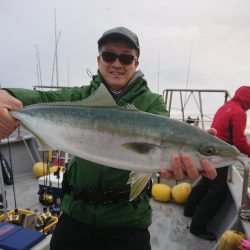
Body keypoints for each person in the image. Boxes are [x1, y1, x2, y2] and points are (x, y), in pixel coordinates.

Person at [0, 27, 217, 250]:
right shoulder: (81, 96)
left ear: (136, 64)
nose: (117, 63)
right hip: (75, 214)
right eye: (109, 56)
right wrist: (7, 95)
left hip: (127, 222)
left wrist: (198, 144)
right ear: (99, 59)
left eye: (126, 57)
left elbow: (165, 138)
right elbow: (42, 97)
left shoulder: (152, 104)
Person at [184, 86, 250, 241]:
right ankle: (197, 227)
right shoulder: (239, 112)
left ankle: (189, 210)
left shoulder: (225, 107)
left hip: (210, 152)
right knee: (218, 192)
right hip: (220, 156)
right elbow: (239, 141)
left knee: (205, 183)